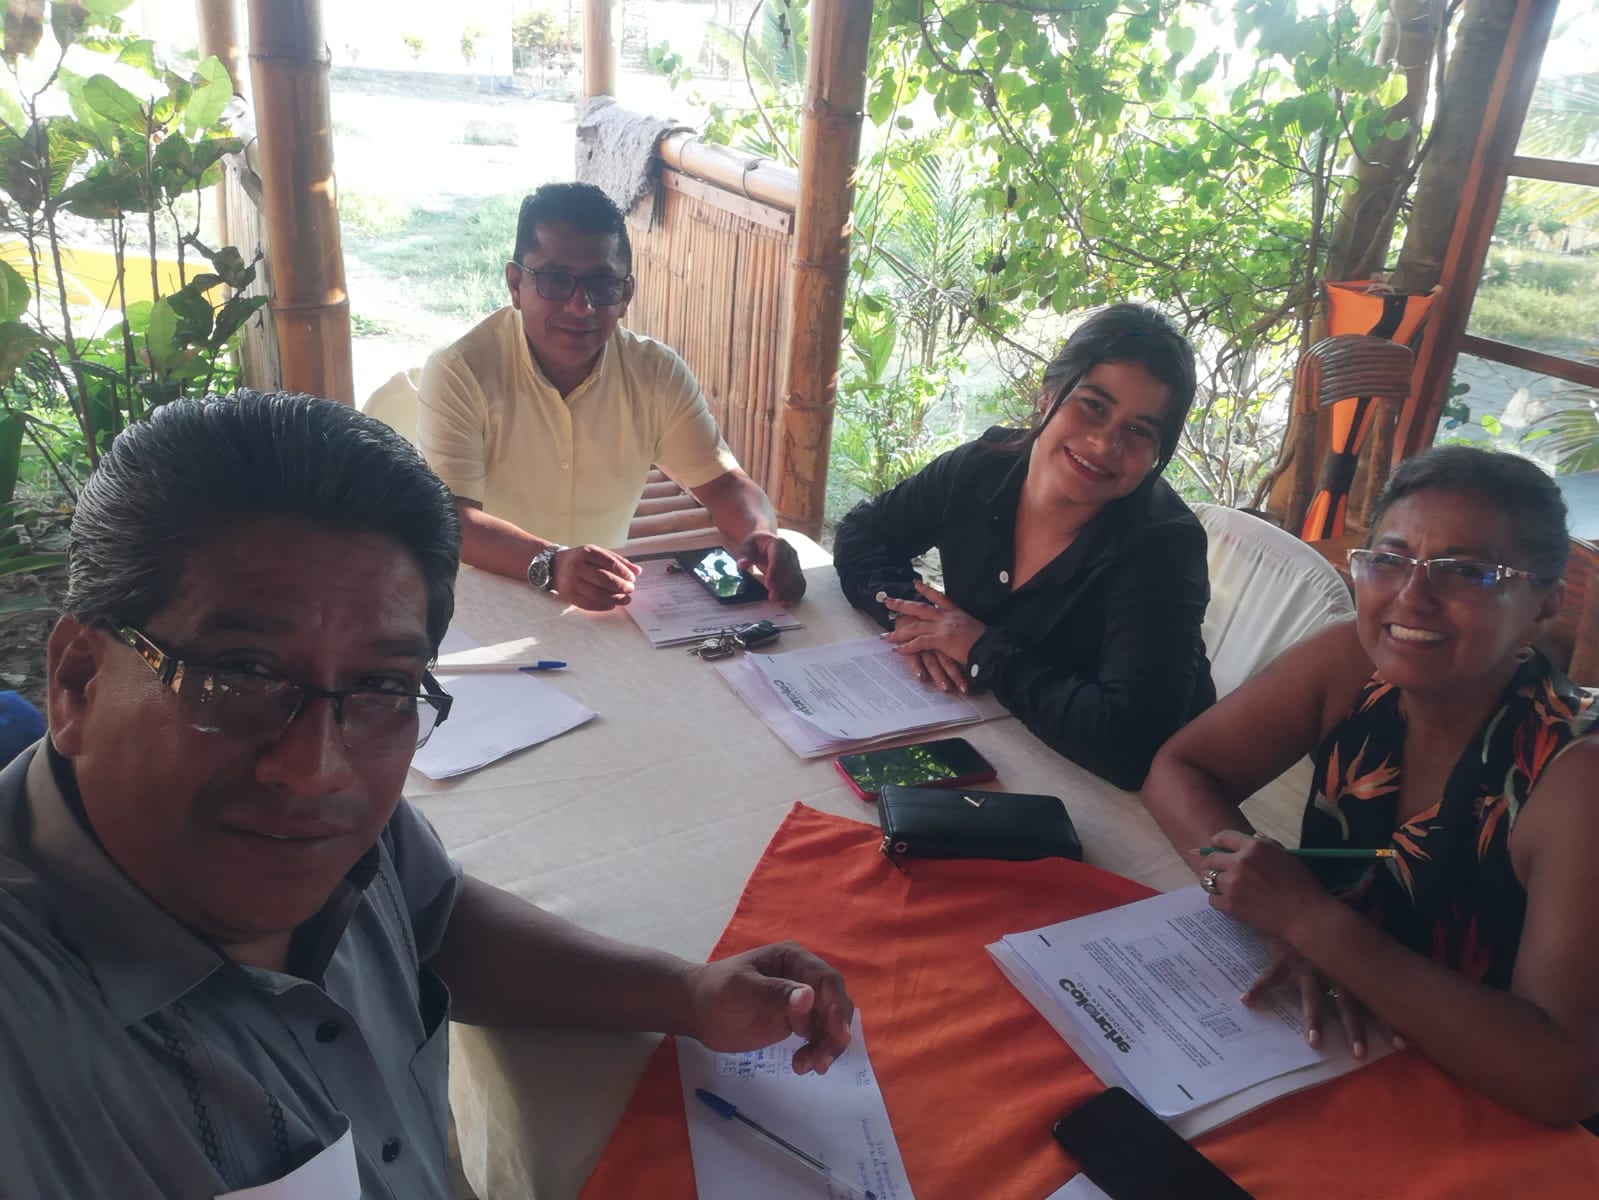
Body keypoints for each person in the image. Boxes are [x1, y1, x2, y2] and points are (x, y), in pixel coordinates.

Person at [0, 392, 853, 1198]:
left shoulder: (317, 830)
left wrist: (685, 995)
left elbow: (432, 924)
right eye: (243, 674)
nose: (315, 769)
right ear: (78, 679)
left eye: (381, 685)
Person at [1141, 445, 1599, 1126]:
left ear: (1543, 606)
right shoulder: (1353, 662)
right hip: (1329, 1049)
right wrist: (1260, 905)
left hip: (1490, 1117)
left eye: (1466, 572)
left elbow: (1563, 1081)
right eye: (1390, 560)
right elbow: (1180, 769)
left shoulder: (1573, 775)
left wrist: (1309, 923)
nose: (1412, 597)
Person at [833, 304, 1214, 790]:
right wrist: (912, 617)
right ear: (1048, 394)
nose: (1105, 443)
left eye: (1139, 430)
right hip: (990, 741)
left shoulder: (1164, 547)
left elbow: (1130, 742)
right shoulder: (984, 467)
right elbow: (864, 531)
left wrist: (981, 649)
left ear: (1159, 453)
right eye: (1093, 405)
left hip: (1123, 797)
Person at [417, 181, 803, 612]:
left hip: (603, 602)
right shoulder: (462, 370)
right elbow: (452, 518)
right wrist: (550, 563)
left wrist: (760, 533)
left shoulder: (655, 373)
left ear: (626, 295)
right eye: (556, 280)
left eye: (602, 284)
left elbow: (725, 485)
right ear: (514, 284)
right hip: (480, 604)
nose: (580, 306)